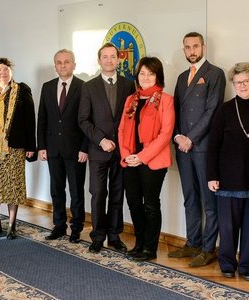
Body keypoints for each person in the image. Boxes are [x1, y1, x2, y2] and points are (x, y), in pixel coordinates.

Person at [207, 62, 249, 280]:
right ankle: (227, 264)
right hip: (228, 179)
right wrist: (212, 175)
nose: (242, 85)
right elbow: (213, 145)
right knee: (227, 229)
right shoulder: (225, 109)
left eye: (246, 81)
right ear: (233, 84)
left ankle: (248, 268)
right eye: (238, 82)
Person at [169, 32, 226, 267]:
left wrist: (190, 138)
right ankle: (192, 243)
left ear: (203, 47)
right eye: (187, 47)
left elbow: (212, 110)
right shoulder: (182, 77)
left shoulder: (215, 73)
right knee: (190, 198)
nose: (191, 51)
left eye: (195, 46)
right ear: (183, 49)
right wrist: (178, 137)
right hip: (183, 148)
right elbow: (176, 111)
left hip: (203, 147)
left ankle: (208, 248)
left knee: (208, 201)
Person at [78, 42, 135, 253]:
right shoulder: (89, 87)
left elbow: (132, 119)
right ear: (99, 60)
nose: (109, 60)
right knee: (98, 194)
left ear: (118, 59)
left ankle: (114, 235)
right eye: (105, 57)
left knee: (118, 194)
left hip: (122, 151)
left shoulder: (129, 85)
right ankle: (97, 236)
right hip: (98, 150)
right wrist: (101, 140)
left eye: (113, 57)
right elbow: (83, 120)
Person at [118, 57, 175, 261]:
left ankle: (150, 248)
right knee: (133, 202)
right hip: (130, 159)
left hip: (152, 161)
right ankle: (139, 243)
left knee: (150, 204)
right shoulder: (131, 99)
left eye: (150, 74)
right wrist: (126, 155)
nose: (146, 77)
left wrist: (141, 157)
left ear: (158, 76)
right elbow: (122, 129)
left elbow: (165, 134)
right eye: (142, 73)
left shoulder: (165, 100)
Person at [0, 57, 36, 240]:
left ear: (11, 71)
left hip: (14, 147)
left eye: (5, 70)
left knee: (13, 185)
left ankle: (12, 225)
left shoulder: (21, 90)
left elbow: (30, 118)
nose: (3, 73)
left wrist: (31, 146)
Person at [37, 49, 87, 243]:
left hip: (76, 150)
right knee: (56, 190)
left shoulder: (83, 87)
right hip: (53, 149)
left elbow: (86, 121)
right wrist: (42, 145)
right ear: (55, 66)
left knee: (76, 191)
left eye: (67, 62)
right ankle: (59, 226)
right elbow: (42, 118)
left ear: (74, 64)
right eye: (59, 62)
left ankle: (76, 228)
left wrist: (84, 148)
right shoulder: (47, 87)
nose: (63, 65)